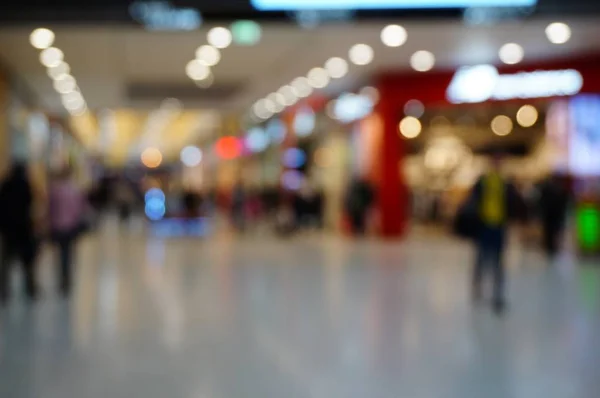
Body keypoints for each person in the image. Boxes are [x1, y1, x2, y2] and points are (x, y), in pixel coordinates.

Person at [469, 156, 523, 314]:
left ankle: (497, 292)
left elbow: (513, 202)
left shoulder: (505, 183)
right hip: (484, 225)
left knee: (496, 260)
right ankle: (479, 286)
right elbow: (474, 201)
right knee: (482, 258)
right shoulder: (484, 182)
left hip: (498, 226)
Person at [0, 163, 38, 303]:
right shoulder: (25, 185)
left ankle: (4, 290)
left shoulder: (5, 185)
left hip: (8, 229)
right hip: (23, 228)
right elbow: (30, 204)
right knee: (27, 261)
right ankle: (30, 289)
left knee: (6, 262)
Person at [48, 167, 87, 297]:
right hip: (71, 227)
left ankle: (62, 277)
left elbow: (51, 209)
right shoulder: (75, 191)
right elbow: (79, 210)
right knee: (68, 253)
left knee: (60, 253)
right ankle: (67, 277)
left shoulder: (55, 190)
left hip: (57, 227)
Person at [539, 173, 569, 259]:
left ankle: (550, 246)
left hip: (550, 214)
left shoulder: (548, 189)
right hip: (554, 215)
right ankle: (551, 246)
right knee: (553, 230)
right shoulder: (560, 189)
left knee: (550, 230)